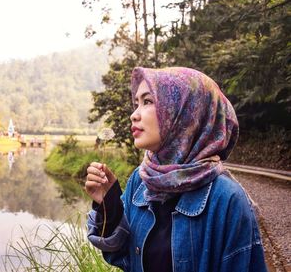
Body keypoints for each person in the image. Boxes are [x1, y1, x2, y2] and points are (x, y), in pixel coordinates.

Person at [85, 67, 267, 272]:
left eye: (148, 101)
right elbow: (121, 257)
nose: (134, 115)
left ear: (187, 112)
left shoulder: (227, 199)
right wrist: (108, 203)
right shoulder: (141, 179)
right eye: (136, 104)